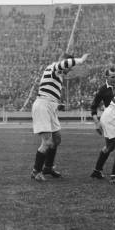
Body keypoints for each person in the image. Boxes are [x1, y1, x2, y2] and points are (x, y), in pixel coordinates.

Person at [31, 52, 89, 181]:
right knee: (46, 142)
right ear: (64, 62)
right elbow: (63, 65)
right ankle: (36, 171)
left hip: (50, 106)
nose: (69, 70)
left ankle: (48, 167)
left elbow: (49, 94)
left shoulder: (58, 75)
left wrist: (57, 105)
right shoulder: (54, 67)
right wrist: (80, 60)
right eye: (69, 67)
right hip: (42, 106)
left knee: (56, 139)